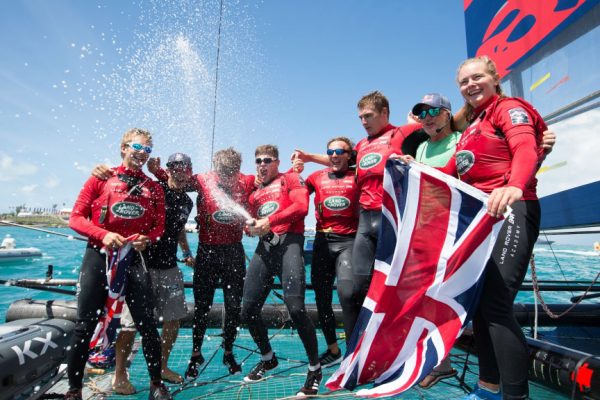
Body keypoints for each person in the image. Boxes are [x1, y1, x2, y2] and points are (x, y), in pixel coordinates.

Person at [401, 56, 542, 400]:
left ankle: (515, 396)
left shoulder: (508, 108)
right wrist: (411, 168)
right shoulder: (471, 129)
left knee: (495, 304)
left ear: (494, 78)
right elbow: (447, 174)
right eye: (464, 81)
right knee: (480, 305)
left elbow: (525, 147)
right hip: (482, 220)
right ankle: (488, 388)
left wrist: (515, 185)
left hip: (512, 208)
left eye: (477, 77)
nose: (470, 85)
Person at [65, 128, 172, 400]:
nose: (142, 153)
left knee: (147, 323)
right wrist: (103, 235)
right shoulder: (100, 177)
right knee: (84, 323)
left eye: (148, 150)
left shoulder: (154, 188)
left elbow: (159, 226)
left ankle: (156, 385)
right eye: (137, 147)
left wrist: (147, 239)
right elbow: (76, 218)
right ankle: (74, 390)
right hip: (98, 256)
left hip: (133, 259)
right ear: (123, 147)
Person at [91, 152, 195, 393]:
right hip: (140, 264)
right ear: (167, 169)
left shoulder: (188, 202)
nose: (179, 171)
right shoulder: (155, 189)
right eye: (174, 167)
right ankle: (119, 375)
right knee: (129, 325)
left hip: (170, 267)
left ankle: (162, 367)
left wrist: (187, 252)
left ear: (189, 171)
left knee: (173, 319)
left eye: (184, 167)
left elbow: (179, 230)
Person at [242, 144, 322, 397]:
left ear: (276, 162)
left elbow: (301, 208)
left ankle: (315, 367)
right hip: (265, 249)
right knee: (247, 311)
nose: (262, 164)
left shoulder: (289, 178)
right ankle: (268, 358)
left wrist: (270, 222)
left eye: (267, 160)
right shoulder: (254, 194)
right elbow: (251, 224)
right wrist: (251, 228)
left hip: (290, 244)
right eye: (258, 161)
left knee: (296, 308)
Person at [181, 147, 255, 378]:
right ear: (216, 168)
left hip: (234, 251)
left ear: (239, 169)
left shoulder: (248, 180)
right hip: (207, 252)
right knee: (202, 306)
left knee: (233, 305)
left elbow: (274, 182)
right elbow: (177, 181)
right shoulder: (203, 180)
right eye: (224, 172)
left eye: (232, 172)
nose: (228, 177)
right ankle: (195, 353)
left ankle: (229, 351)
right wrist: (159, 172)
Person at [293, 137, 360, 367]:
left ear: (350, 155)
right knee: (321, 299)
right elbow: (293, 193)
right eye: (330, 151)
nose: (334, 155)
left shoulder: (359, 175)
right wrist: (296, 169)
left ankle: (353, 354)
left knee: (348, 295)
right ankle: (333, 349)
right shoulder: (315, 178)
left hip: (348, 242)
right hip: (322, 241)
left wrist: (311, 156)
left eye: (340, 151)